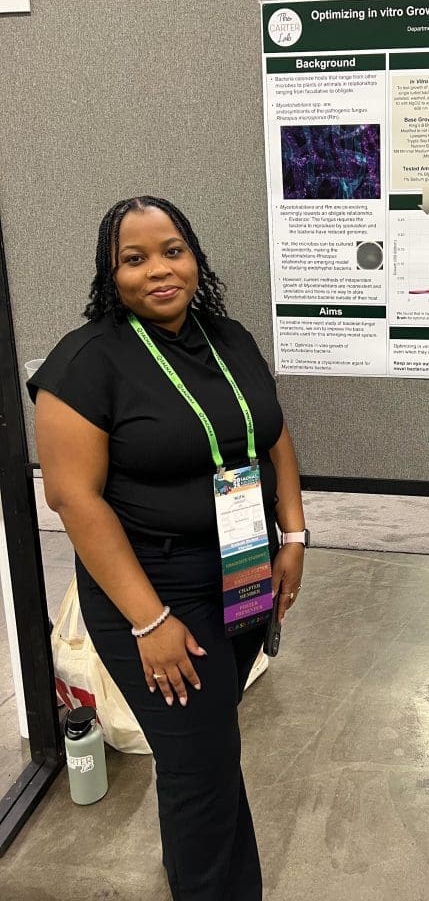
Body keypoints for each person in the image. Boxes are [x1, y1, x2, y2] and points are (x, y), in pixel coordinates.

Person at [29, 195, 307, 901]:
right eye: (135, 258)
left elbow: (268, 431)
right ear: (110, 273)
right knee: (199, 764)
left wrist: (294, 532)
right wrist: (149, 621)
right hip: (152, 587)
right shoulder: (85, 362)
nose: (159, 269)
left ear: (195, 258)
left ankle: (191, 867)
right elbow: (73, 499)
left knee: (208, 744)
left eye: (172, 251)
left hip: (241, 569)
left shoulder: (229, 337)